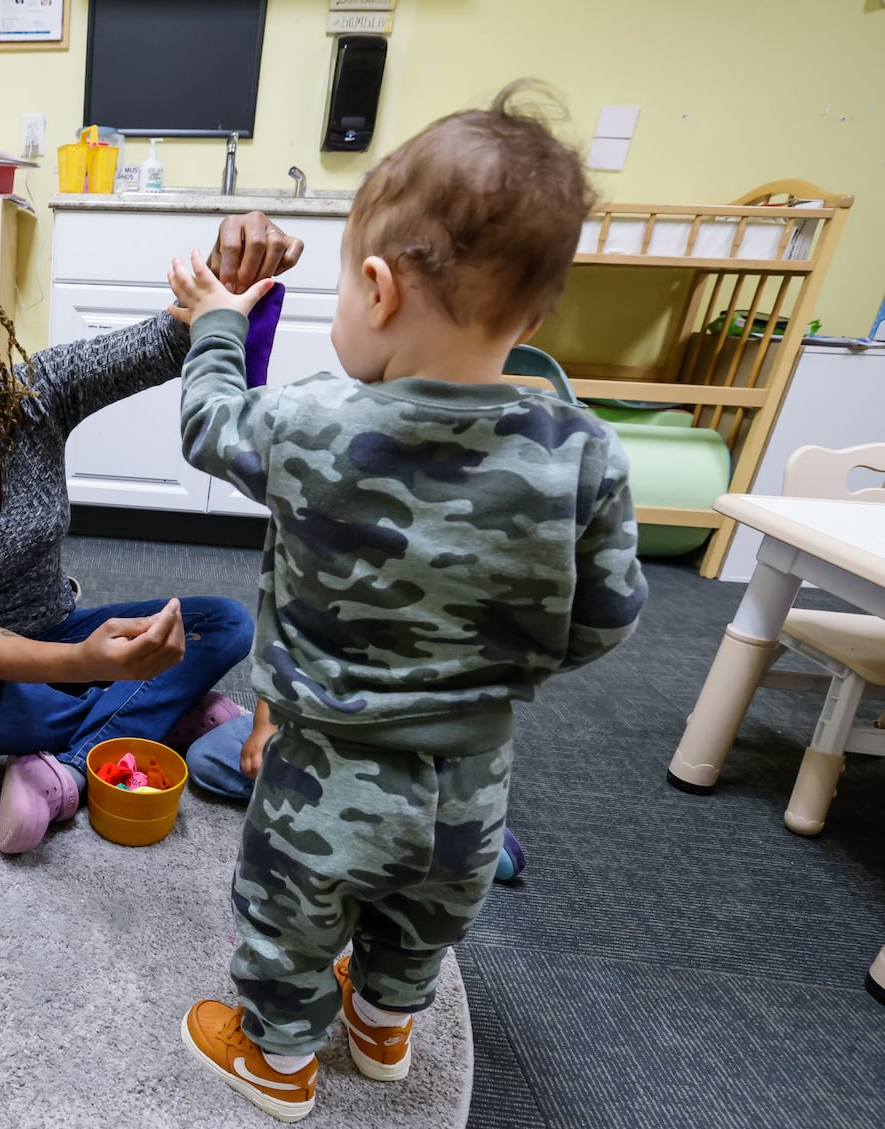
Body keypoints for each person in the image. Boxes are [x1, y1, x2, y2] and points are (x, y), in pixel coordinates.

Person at [169, 83, 648, 1122]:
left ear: (377, 288)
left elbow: (210, 424)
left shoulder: (311, 422)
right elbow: (608, 617)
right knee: (421, 917)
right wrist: (494, 662)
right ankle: (385, 1030)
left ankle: (278, 1060)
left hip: (322, 767)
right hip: (472, 774)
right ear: (531, 313)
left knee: (288, 920)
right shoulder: (584, 450)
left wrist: (214, 323)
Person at [0, 214, 303, 855]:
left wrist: (226, 271)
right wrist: (90, 664)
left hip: (56, 626)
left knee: (224, 623)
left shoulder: (37, 396)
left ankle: (70, 765)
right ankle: (157, 712)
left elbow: (166, 341)